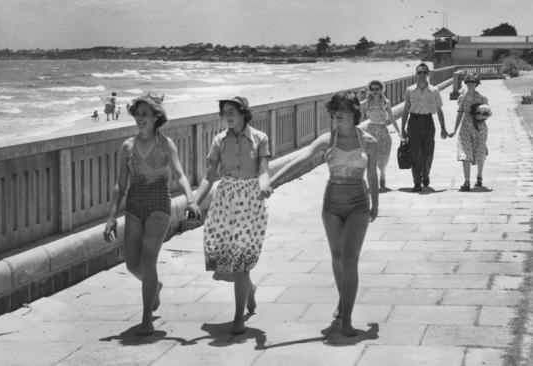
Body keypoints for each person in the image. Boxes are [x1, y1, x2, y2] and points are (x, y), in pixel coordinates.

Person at [270, 91, 379, 337]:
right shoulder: (327, 140)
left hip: (359, 204)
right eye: (334, 111)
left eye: (342, 110)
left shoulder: (369, 141)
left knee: (350, 260)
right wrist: (272, 181)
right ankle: (342, 301)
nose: (337, 115)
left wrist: (376, 205)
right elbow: (301, 159)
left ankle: (347, 319)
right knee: (337, 257)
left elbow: (372, 175)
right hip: (332, 204)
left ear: (354, 111)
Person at [103, 93, 201, 336]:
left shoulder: (166, 144)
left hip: (159, 203)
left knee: (148, 261)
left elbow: (179, 174)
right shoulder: (127, 146)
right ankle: (154, 285)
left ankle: (147, 317)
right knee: (131, 265)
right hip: (134, 205)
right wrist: (111, 217)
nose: (139, 118)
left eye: (145, 114)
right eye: (137, 114)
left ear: (156, 116)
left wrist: (190, 199)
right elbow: (119, 185)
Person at [194, 96, 273, 335]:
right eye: (224, 112)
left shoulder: (260, 138)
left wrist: (265, 185)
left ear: (243, 113)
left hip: (251, 201)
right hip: (225, 199)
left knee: (241, 263)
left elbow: (264, 171)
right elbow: (208, 176)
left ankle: (239, 317)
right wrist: (194, 202)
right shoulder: (218, 140)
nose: (227, 116)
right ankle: (249, 289)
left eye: (232, 111)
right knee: (222, 264)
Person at [401, 63, 448, 192]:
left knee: (428, 153)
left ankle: (426, 174)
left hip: (428, 122)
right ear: (416, 74)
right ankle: (417, 182)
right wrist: (402, 129)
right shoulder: (409, 90)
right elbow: (405, 110)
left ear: (428, 74)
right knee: (414, 153)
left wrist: (443, 127)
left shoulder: (434, 90)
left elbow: (439, 110)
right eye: (419, 72)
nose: (421, 75)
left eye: (424, 72)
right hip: (413, 122)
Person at [448, 74, 490, 191]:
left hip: (479, 127)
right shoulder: (462, 98)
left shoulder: (482, 98)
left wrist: (481, 114)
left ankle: (479, 177)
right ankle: (466, 182)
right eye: (468, 83)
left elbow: (488, 113)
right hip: (465, 127)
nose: (470, 85)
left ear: (476, 84)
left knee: (480, 153)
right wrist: (454, 130)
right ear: (466, 84)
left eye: (473, 83)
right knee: (465, 153)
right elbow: (460, 113)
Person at [360, 80, 403, 189]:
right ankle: (372, 179)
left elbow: (392, 118)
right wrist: (358, 96)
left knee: (383, 156)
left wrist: (399, 132)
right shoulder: (366, 102)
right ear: (369, 90)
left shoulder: (385, 102)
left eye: (377, 89)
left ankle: (382, 173)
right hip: (371, 131)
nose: (375, 91)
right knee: (371, 158)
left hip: (383, 130)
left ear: (381, 89)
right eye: (372, 89)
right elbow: (355, 108)